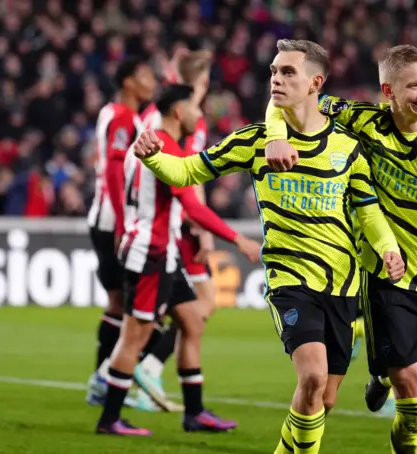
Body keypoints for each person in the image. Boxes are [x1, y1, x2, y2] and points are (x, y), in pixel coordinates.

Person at [132, 39, 406, 453]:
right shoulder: (255, 140)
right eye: (275, 71)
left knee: (323, 400)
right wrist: (154, 157)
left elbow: (368, 212)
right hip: (291, 280)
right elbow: (188, 170)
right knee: (311, 378)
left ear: (316, 83)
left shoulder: (348, 149)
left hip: (344, 287)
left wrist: (388, 247)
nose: (276, 78)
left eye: (288, 72)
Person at [264, 45, 417, 453]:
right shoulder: (363, 120)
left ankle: (380, 375)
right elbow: (290, 98)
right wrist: (275, 136)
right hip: (387, 278)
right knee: (413, 400)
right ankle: (399, 408)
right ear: (388, 91)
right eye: (414, 85)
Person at [95, 83, 260, 436]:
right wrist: (238, 239)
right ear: (178, 112)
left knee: (193, 320)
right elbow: (193, 206)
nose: (201, 115)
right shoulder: (164, 148)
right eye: (195, 108)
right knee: (133, 337)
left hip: (162, 250)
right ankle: (109, 419)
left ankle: (194, 413)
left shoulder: (148, 140)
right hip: (150, 253)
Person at [134, 51, 247, 424]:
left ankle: (180, 399)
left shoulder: (157, 116)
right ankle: (145, 366)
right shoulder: (183, 121)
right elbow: (188, 179)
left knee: (192, 315)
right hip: (175, 230)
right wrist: (206, 233)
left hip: (167, 226)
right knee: (197, 307)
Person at [86, 57, 156, 408]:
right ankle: (107, 377)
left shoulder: (110, 112)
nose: (150, 81)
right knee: (132, 306)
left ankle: (103, 376)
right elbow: (114, 169)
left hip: (105, 218)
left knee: (117, 304)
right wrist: (123, 221)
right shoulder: (124, 117)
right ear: (129, 82)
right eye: (144, 75)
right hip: (114, 221)